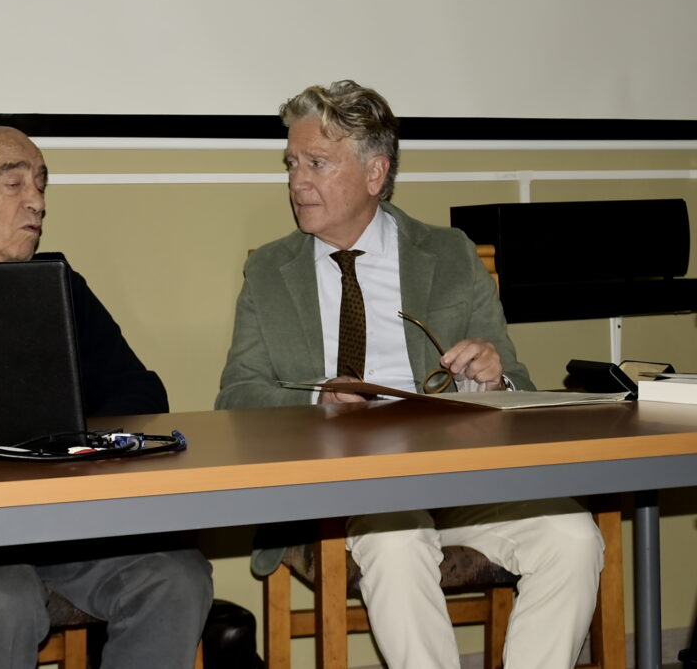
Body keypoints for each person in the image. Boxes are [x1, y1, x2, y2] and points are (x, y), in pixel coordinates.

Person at [215, 81, 604, 669]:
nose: (297, 182)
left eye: (317, 163)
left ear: (375, 173)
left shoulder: (448, 254)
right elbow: (236, 399)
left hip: (460, 481)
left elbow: (518, 386)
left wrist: (490, 379)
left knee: (572, 537)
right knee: (396, 539)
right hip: (344, 492)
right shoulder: (272, 271)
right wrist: (319, 398)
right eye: (292, 164)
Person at [0, 126, 212, 668]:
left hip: (59, 525)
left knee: (176, 577)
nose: (37, 201)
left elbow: (141, 392)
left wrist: (68, 433)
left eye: (41, 184)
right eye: (14, 184)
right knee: (1, 599)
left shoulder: (60, 285)